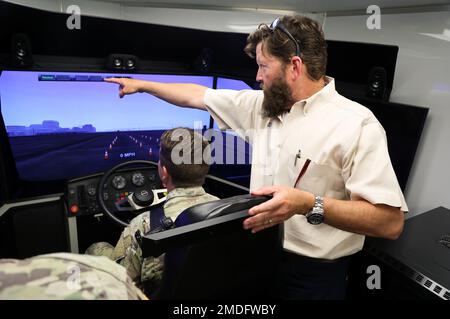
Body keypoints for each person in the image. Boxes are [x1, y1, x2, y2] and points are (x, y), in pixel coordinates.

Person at [104, 15, 407, 299]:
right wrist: (141, 85)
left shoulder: (357, 125)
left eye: (264, 66)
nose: (258, 76)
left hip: (315, 275)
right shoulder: (262, 105)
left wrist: (306, 204)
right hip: (256, 258)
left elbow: (389, 222)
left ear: (295, 67)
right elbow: (195, 95)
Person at [86, 128, 218, 295]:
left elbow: (124, 285)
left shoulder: (141, 226)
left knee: (96, 247)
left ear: (163, 172)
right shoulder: (222, 208)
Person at [0, 252, 147, 300]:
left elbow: (126, 271)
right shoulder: (102, 277)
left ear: (164, 177)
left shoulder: (140, 222)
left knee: (98, 247)